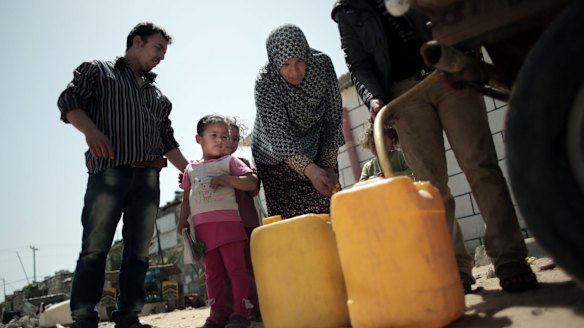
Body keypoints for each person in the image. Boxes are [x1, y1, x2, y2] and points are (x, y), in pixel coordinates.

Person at [332, 0, 538, 293]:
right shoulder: (347, 9)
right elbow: (359, 64)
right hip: (403, 94)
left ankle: (510, 260)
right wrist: (374, 98)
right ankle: (455, 267)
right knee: (431, 187)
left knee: (480, 165)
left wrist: (463, 57)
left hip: (448, 70)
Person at [57, 22, 189, 328]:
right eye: (158, 49)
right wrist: (91, 132)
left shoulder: (158, 96)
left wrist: (194, 172)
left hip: (148, 180)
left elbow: (167, 140)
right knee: (95, 247)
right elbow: (69, 102)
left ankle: (128, 317)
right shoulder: (99, 71)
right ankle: (84, 318)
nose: (162, 57)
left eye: (165, 53)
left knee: (139, 252)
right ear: (138, 41)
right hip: (108, 175)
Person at [251, 23, 345, 219]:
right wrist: (312, 171)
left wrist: (326, 167)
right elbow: (280, 136)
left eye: (299, 61)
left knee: (332, 211)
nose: (294, 71)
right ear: (275, 62)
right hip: (277, 161)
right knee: (296, 224)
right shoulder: (265, 82)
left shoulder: (323, 66)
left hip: (318, 149)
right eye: (285, 65)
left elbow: (333, 119)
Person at [177, 115, 259, 328]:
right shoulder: (190, 169)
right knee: (212, 274)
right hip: (203, 233)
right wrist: (182, 221)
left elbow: (251, 183)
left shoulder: (229, 162)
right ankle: (216, 316)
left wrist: (226, 179)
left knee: (237, 270)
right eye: (214, 135)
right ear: (199, 139)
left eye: (225, 136)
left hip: (230, 228)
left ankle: (241, 314)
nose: (221, 140)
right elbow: (186, 199)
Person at [222, 117, 262, 320]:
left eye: (235, 139)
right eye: (226, 137)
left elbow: (253, 187)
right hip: (222, 228)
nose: (231, 142)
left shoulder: (242, 164)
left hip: (246, 224)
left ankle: (255, 307)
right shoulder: (205, 166)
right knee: (228, 269)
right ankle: (234, 309)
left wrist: (228, 179)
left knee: (250, 267)